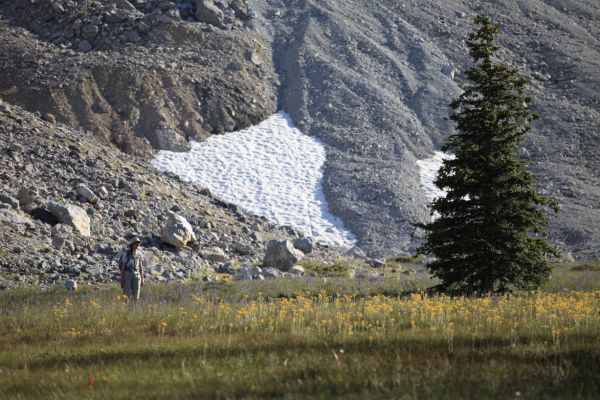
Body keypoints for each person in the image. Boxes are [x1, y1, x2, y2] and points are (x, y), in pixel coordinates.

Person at [119, 237, 145, 302]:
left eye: (138, 244)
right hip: (127, 274)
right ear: (132, 244)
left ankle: (135, 307)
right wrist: (122, 279)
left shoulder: (139, 254)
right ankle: (125, 307)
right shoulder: (126, 253)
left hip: (136, 274)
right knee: (127, 293)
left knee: (136, 292)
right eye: (136, 244)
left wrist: (142, 279)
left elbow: (141, 267)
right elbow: (123, 266)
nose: (137, 246)